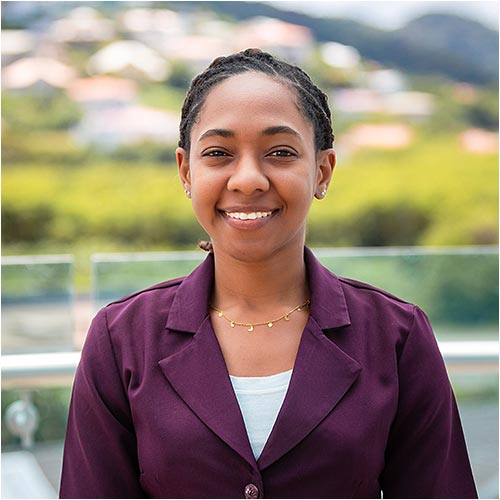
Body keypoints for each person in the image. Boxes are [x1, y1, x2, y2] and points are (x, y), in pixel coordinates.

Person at [59, 48, 477, 499]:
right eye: (218, 153)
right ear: (186, 171)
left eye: (280, 152)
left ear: (322, 171)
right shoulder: (121, 339)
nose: (248, 179)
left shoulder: (396, 337)